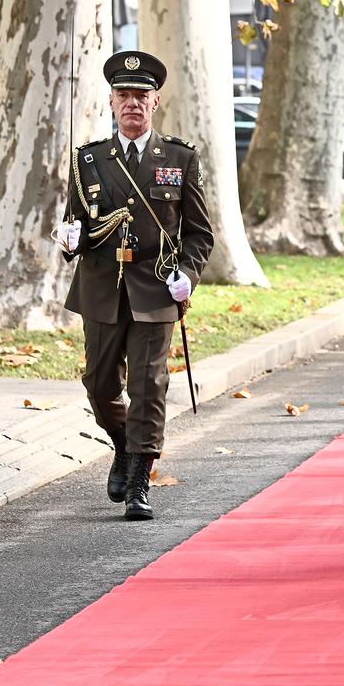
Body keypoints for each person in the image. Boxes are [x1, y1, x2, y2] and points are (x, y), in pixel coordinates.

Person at [59, 51, 215, 521]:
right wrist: (69, 239)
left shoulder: (179, 158)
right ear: (111, 101)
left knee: (150, 386)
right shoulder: (88, 159)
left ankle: (140, 481)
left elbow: (200, 232)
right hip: (102, 284)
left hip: (155, 286)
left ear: (156, 102)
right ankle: (126, 448)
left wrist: (187, 274)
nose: (133, 103)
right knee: (100, 383)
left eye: (141, 96)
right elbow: (78, 224)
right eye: (124, 95)